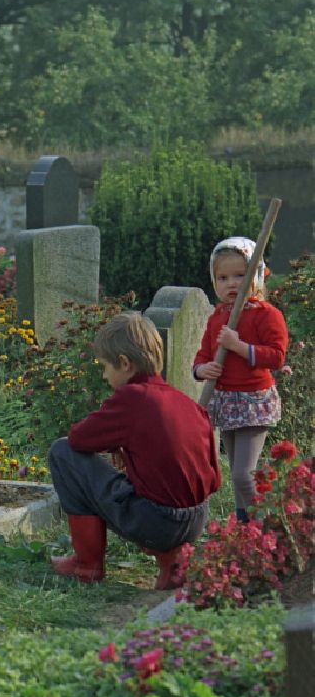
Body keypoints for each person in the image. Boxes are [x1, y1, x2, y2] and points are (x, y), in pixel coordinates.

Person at [47, 312, 221, 589]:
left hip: (157, 523)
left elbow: (78, 439)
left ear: (125, 364)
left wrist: (115, 441)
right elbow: (213, 478)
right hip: (196, 520)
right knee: (157, 488)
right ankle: (173, 564)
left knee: (62, 452)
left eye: (105, 367)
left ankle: (86, 564)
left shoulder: (133, 397)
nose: (104, 375)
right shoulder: (186, 403)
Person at [193, 236, 289, 521]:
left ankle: (271, 526)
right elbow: (202, 354)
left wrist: (240, 347)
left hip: (253, 402)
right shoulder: (216, 317)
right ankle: (245, 528)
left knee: (243, 474)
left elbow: (276, 356)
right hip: (226, 401)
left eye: (239, 275)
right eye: (222, 277)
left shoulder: (266, 315)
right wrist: (201, 370)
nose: (231, 283)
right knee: (235, 473)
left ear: (256, 277)